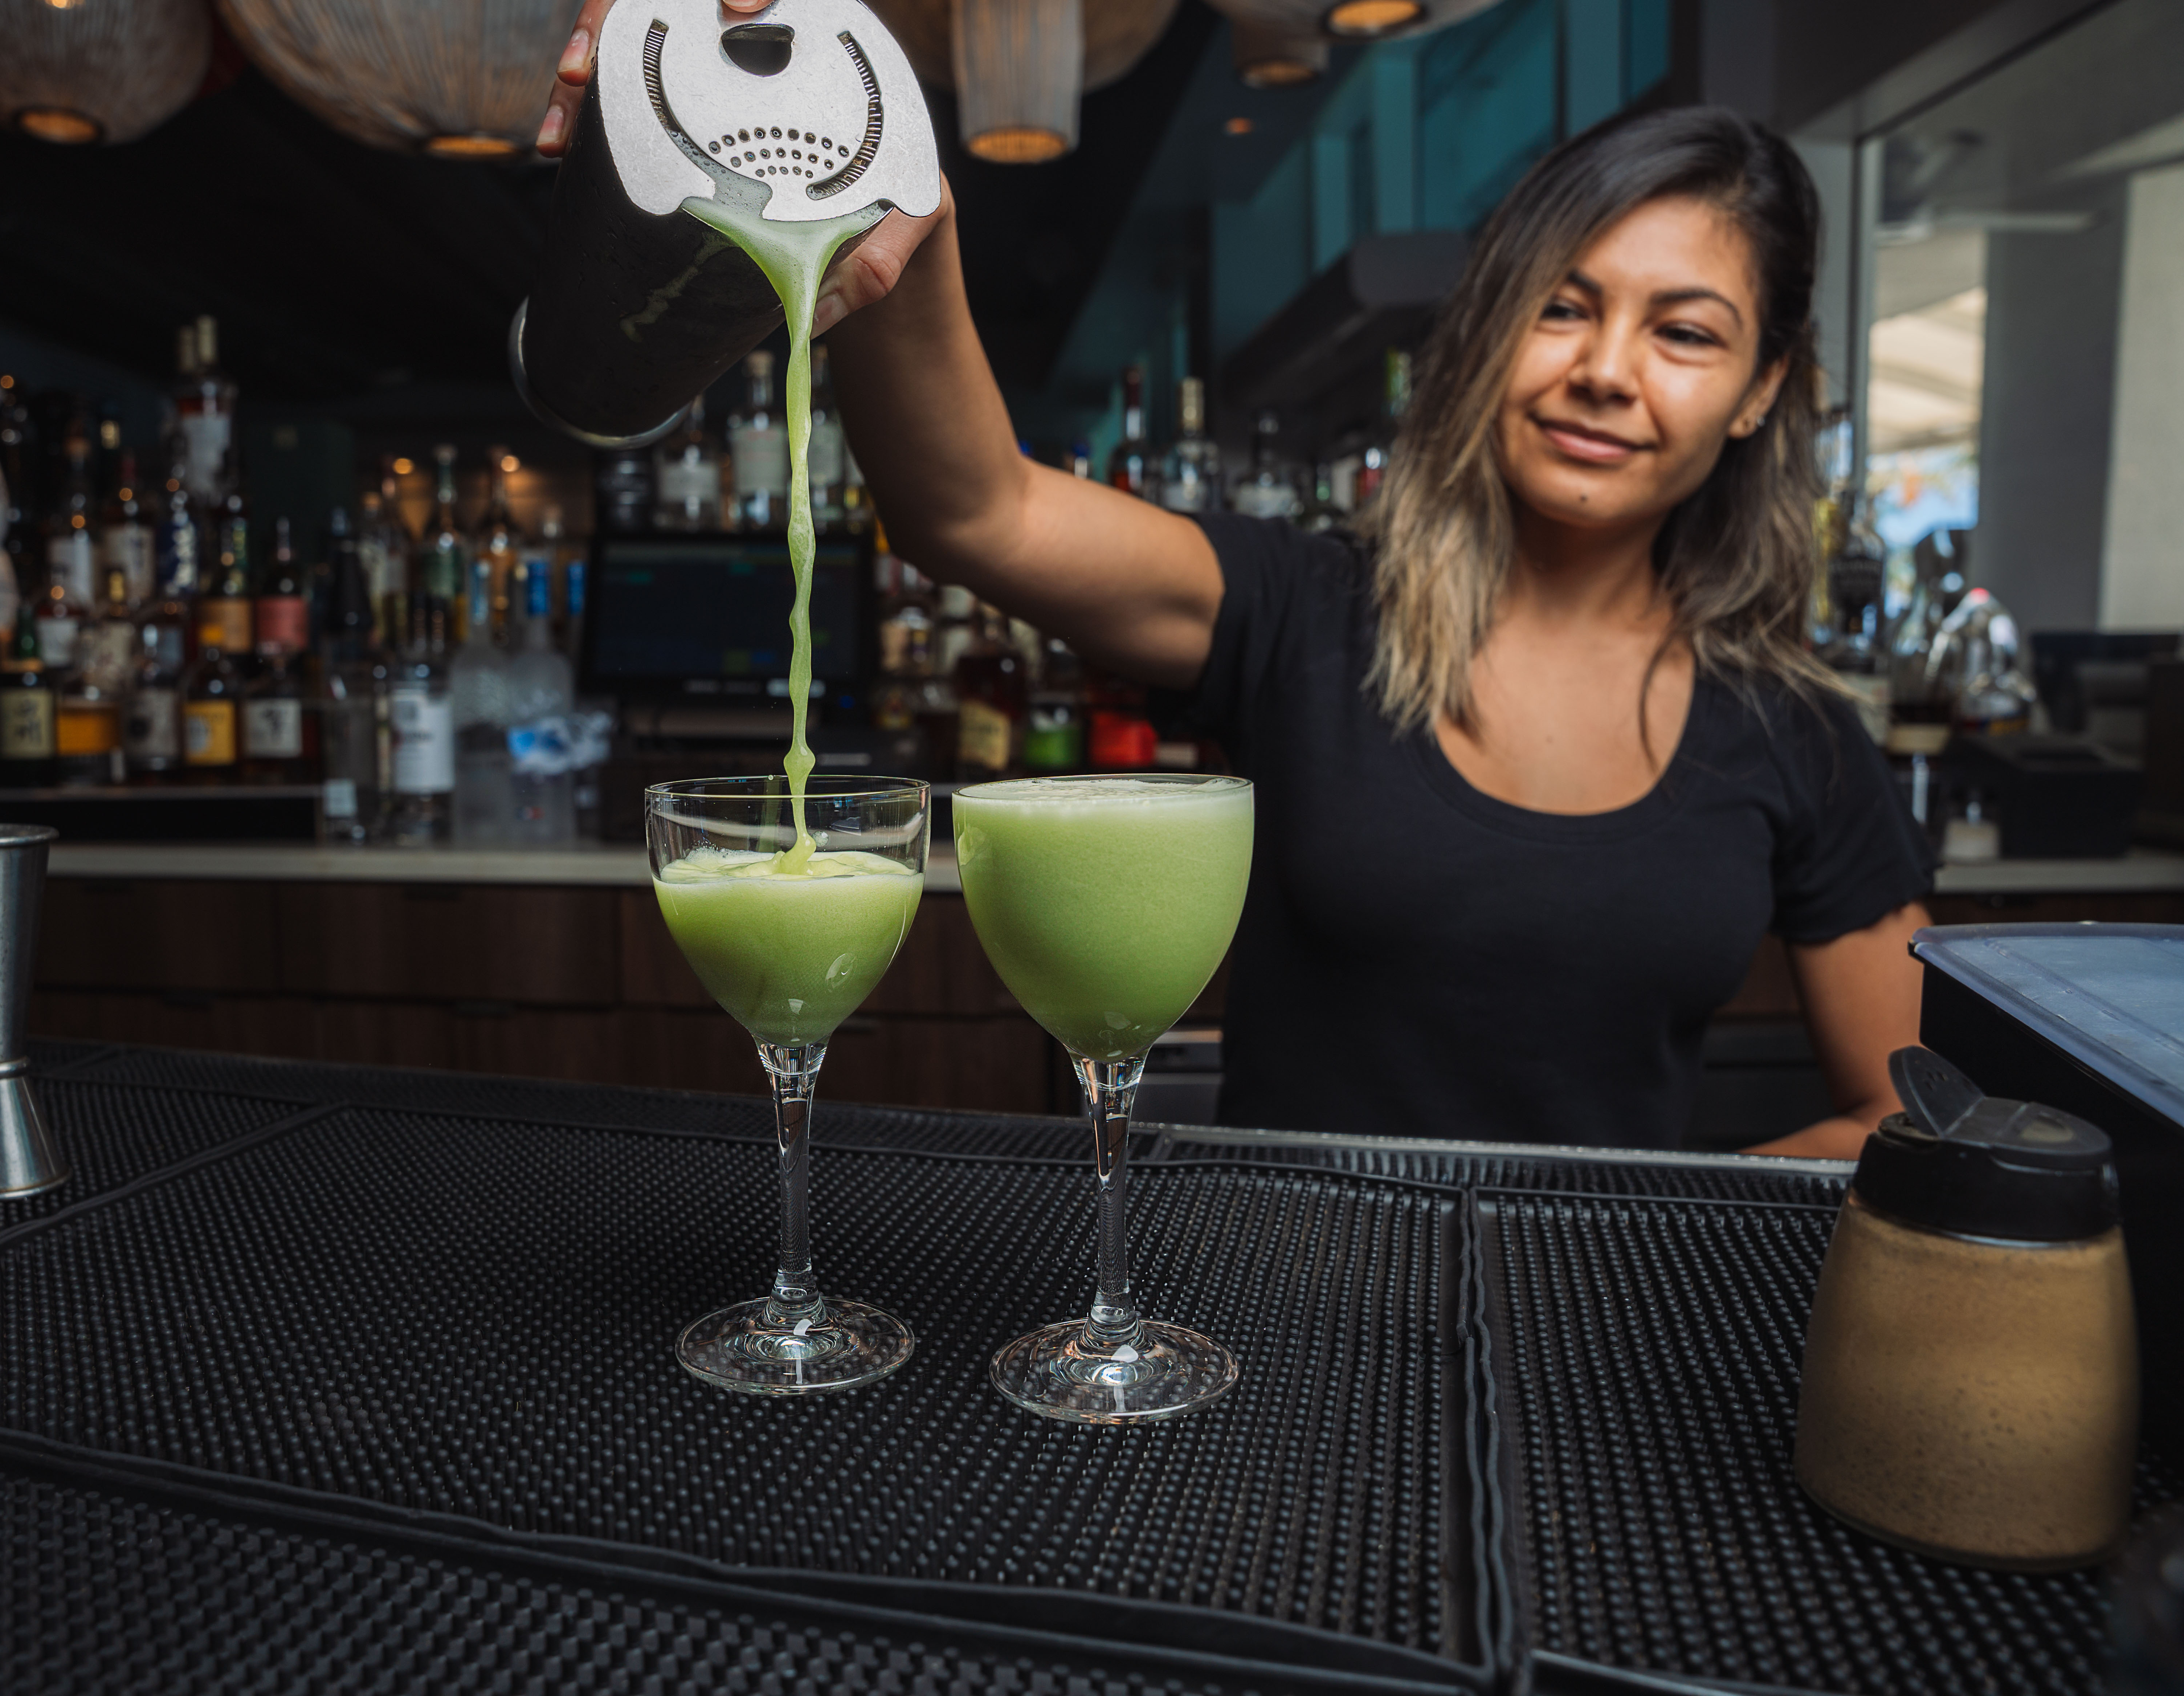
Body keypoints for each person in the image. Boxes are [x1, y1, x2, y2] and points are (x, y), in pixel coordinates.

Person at [539, 15, 1932, 1158]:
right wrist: (890, 171)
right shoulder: (1313, 608)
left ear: (1760, 394)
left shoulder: (1796, 735)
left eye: (1685, 333)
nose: (1608, 371)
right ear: (1497, 326)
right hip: (1272, 1317)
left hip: (1597, 1332)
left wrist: (1635, 1226)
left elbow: (1905, 1110)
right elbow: (976, 509)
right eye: (1563, 306)